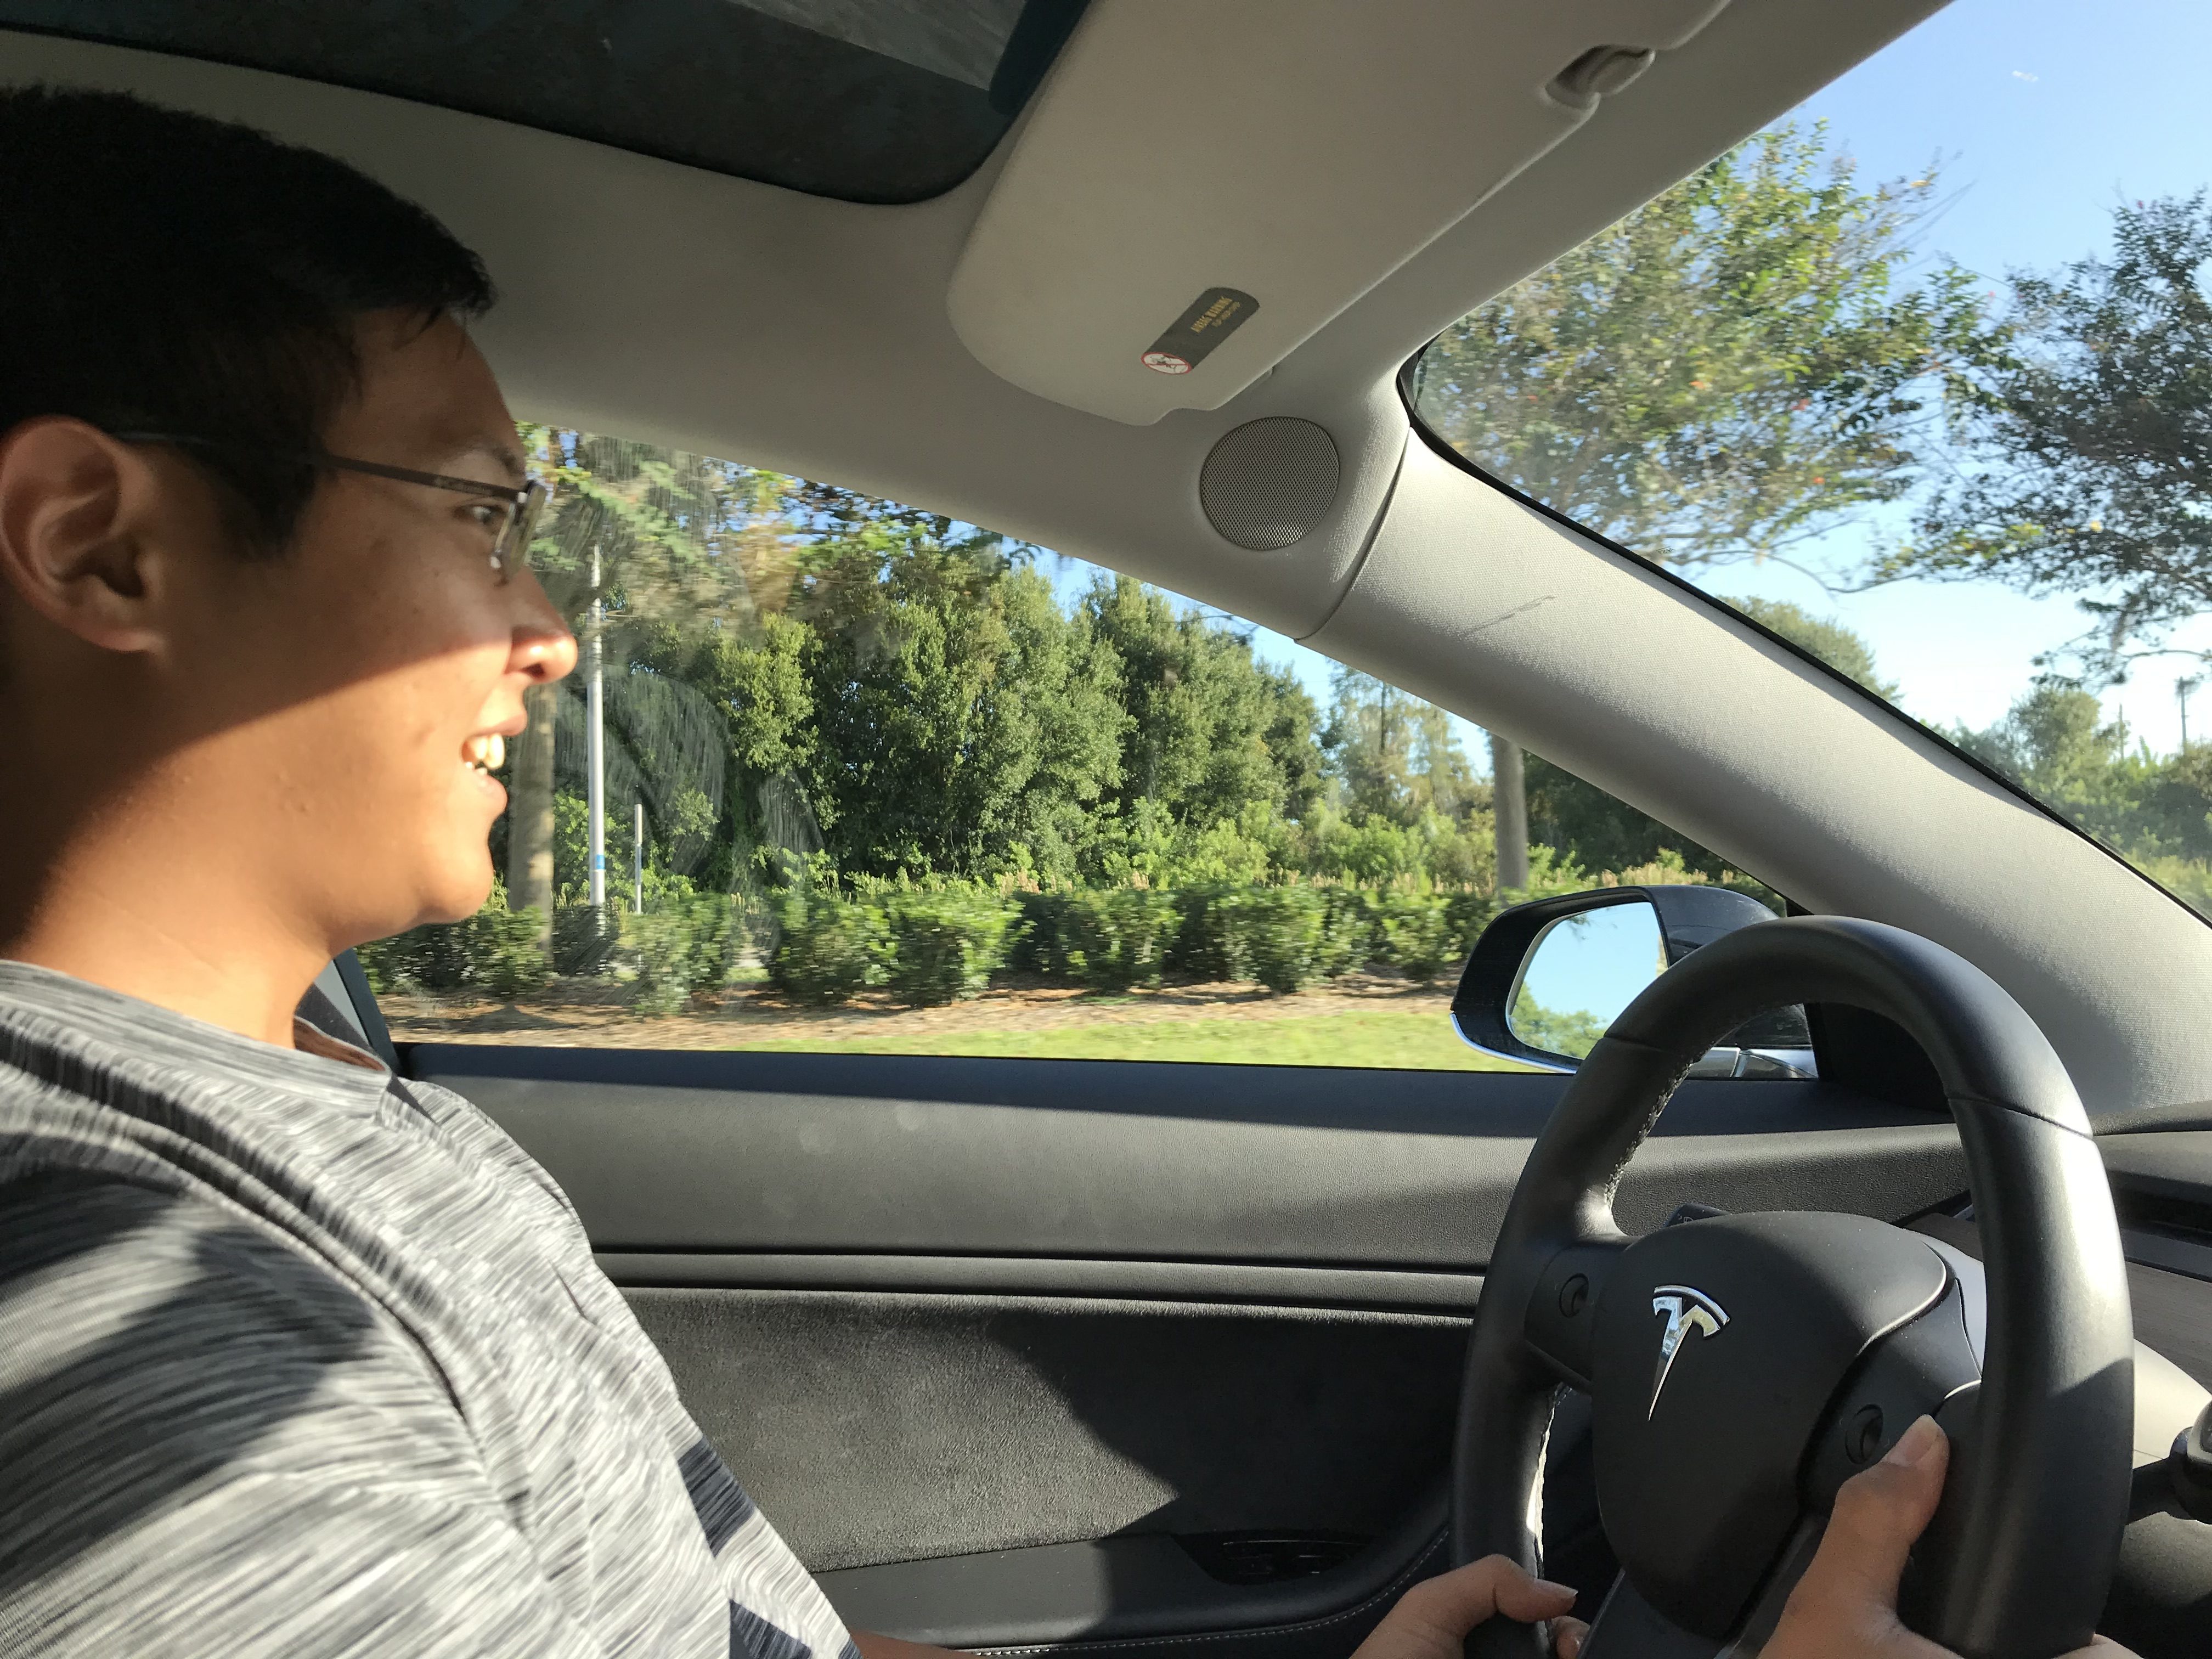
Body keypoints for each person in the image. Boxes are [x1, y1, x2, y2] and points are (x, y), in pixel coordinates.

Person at [0, 87, 2133, 1659]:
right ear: (101, 546)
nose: (546, 630)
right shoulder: (97, 1308)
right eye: (477, 518)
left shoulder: (304, 1120)